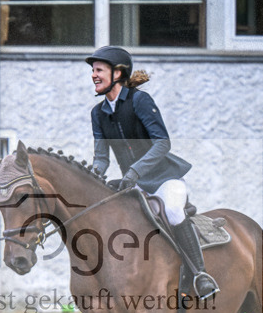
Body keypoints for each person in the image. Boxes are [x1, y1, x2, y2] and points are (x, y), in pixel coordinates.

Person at [86, 45, 219, 298]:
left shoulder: (140, 101)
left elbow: (162, 143)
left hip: (164, 179)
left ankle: (200, 275)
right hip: (133, 184)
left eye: (99, 70)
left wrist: (134, 171)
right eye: (93, 71)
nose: (94, 75)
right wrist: (92, 177)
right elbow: (101, 157)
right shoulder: (98, 113)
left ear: (117, 73)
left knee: (173, 211)